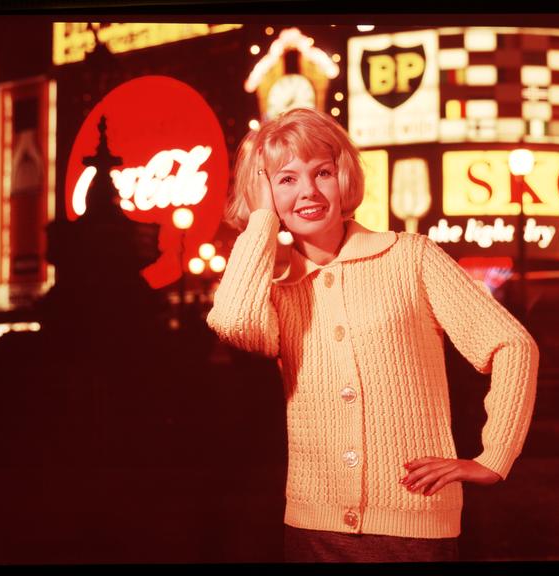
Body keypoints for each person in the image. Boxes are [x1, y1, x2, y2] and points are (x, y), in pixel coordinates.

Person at [206, 107, 539, 563]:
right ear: (264, 191)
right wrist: (263, 218)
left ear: (342, 176)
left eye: (321, 172)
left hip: (416, 528)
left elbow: (512, 345)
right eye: (285, 179)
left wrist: (494, 456)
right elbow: (233, 321)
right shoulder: (280, 294)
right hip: (312, 531)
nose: (308, 191)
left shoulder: (411, 257)